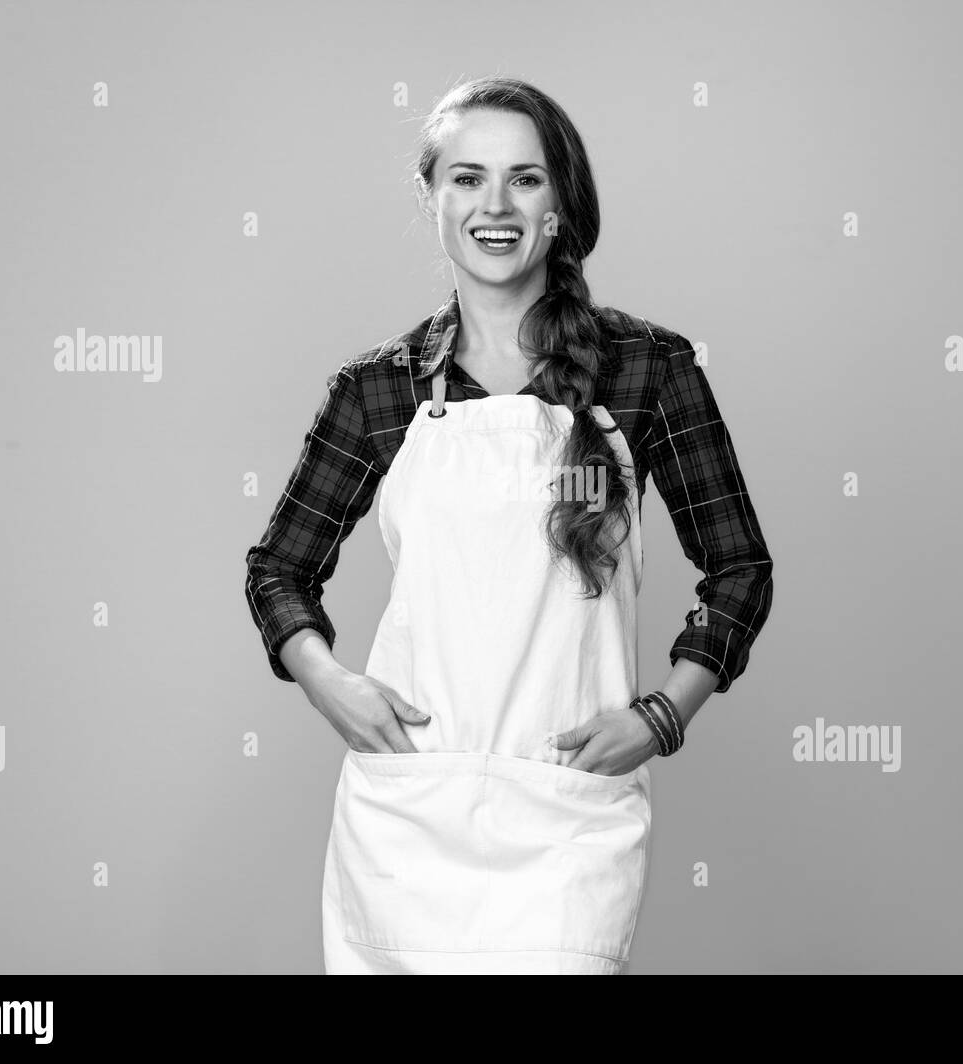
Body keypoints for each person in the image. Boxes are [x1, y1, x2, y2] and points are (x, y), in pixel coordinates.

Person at [244, 75, 774, 975]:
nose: (495, 205)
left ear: (560, 205)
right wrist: (331, 684)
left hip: (567, 820)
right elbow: (277, 572)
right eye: (467, 178)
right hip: (407, 825)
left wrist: (661, 716)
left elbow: (739, 568)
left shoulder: (646, 369)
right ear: (433, 199)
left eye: (524, 179)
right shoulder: (379, 388)